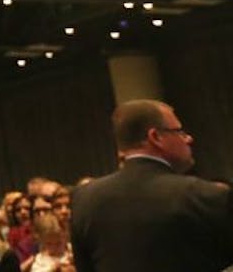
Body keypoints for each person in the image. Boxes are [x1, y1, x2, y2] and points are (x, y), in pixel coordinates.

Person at [70, 98, 233, 272]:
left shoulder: (84, 199)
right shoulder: (204, 196)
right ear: (155, 137)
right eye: (179, 131)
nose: (188, 139)